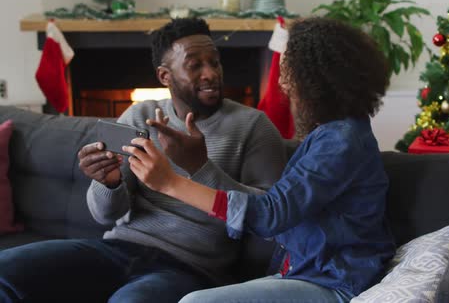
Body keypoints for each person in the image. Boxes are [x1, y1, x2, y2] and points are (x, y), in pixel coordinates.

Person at [0, 17, 287, 303]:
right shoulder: (139, 116)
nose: (211, 73)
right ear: (165, 76)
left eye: (215, 62)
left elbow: (269, 216)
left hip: (190, 266)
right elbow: (105, 215)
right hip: (117, 248)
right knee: (6, 270)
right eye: (195, 65)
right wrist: (108, 182)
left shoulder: (254, 126)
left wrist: (200, 168)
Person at [124, 17, 395, 303]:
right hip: (306, 273)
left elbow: (271, 214)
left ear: (317, 77)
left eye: (289, 70)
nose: (282, 82)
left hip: (336, 282)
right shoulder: (333, 132)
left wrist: (171, 183)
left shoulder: (342, 141)